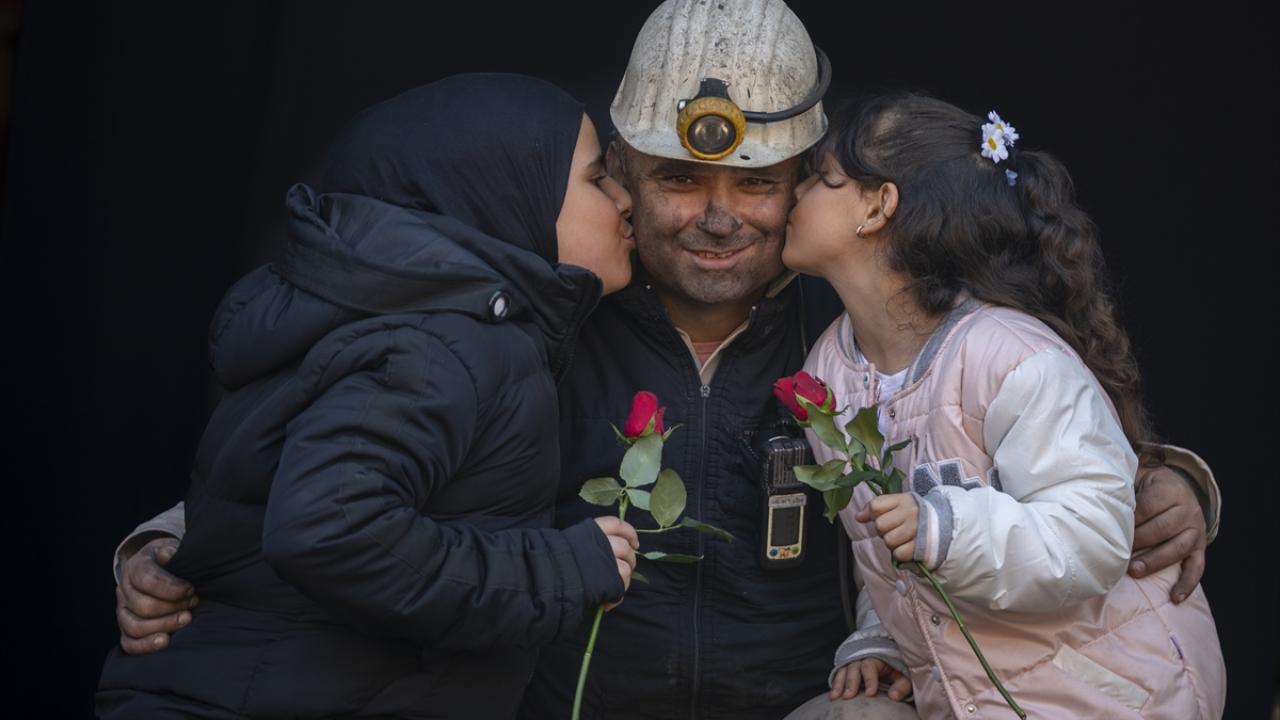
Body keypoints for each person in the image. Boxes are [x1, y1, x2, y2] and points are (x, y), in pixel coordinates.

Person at [108, 3, 1222, 719]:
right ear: (622, 183)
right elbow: (359, 444)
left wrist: (1163, 478)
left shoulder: (850, 330)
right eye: (679, 181)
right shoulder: (547, 319)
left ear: (812, 193)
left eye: (757, 184)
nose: (718, 217)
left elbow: (1019, 420)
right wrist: (176, 540)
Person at [96, 73, 642, 719]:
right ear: (502, 193)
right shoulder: (447, 342)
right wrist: (558, 571)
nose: (625, 199)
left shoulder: (419, 325)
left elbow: (277, 488)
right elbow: (329, 528)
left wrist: (157, 546)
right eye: (594, 179)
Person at [785, 93, 1226, 718]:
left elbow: (1093, 537)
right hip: (975, 693)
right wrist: (882, 635)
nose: (792, 196)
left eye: (821, 180)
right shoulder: (828, 373)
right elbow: (875, 544)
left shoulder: (1011, 356)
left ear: (879, 207)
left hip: (1108, 691)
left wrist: (947, 529)